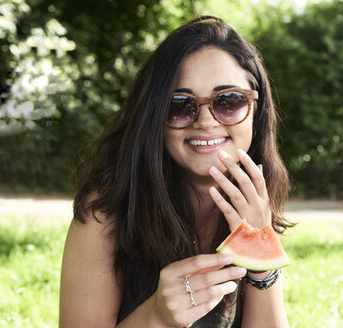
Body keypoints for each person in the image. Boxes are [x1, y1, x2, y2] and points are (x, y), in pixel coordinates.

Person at [60, 16, 293, 327]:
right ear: (153, 117)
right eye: (180, 105)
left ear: (256, 110)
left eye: (229, 101)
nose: (206, 122)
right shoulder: (106, 209)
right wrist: (155, 317)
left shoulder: (253, 198)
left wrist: (262, 257)